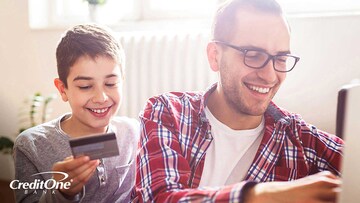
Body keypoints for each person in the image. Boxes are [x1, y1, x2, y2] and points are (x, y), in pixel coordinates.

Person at [133, 0, 344, 202]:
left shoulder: (299, 138)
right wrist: (261, 196)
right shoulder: (168, 112)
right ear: (215, 56)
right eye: (253, 55)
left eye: (280, 59)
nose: (269, 76)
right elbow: (160, 198)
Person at [13, 24, 139, 203]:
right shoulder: (31, 146)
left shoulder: (133, 131)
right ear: (63, 89)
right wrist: (61, 193)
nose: (101, 97)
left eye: (110, 83)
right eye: (85, 86)